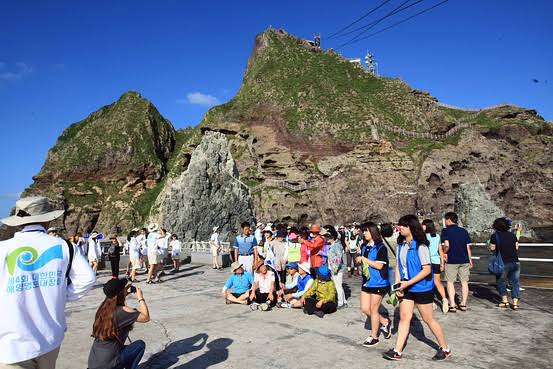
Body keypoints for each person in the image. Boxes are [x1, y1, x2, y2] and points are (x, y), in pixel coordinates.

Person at [0, 196, 96, 368]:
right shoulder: (65, 246)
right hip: (50, 338)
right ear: (48, 219)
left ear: (18, 221)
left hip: (12, 344)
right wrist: (62, 295)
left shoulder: (3, 248)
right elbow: (88, 278)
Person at [383, 215, 450, 361]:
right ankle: (397, 351)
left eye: (403, 226)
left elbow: (426, 270)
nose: (399, 228)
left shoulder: (421, 246)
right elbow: (399, 268)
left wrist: (408, 283)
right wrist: (398, 285)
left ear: (411, 228)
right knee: (404, 318)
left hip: (421, 287)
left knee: (428, 319)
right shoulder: (401, 245)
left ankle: (445, 348)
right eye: (399, 225)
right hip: (406, 287)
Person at [88, 278, 150, 369]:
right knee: (140, 345)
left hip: (94, 363)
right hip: (109, 364)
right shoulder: (122, 311)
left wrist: (123, 294)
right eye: (124, 288)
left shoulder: (103, 309)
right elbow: (145, 317)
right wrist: (140, 298)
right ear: (120, 293)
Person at [358, 222, 394, 347]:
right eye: (363, 231)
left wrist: (364, 259)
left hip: (379, 282)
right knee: (364, 308)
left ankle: (374, 336)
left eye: (366, 231)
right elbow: (365, 263)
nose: (364, 233)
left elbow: (379, 265)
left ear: (373, 231)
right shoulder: (364, 246)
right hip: (367, 281)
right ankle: (384, 322)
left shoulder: (381, 247)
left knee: (374, 309)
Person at [441, 212, 472, 312]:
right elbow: (467, 247)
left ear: (449, 220)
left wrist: (443, 252)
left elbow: (447, 245)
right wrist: (470, 260)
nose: (445, 222)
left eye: (445, 220)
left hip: (452, 260)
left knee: (450, 282)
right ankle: (463, 304)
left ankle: (453, 305)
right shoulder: (464, 231)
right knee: (464, 282)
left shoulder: (446, 231)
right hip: (464, 260)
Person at [490, 217, 521, 310]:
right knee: (515, 282)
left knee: (500, 281)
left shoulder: (495, 236)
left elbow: (492, 248)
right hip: (515, 261)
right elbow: (516, 248)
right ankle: (515, 303)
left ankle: (505, 301)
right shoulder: (512, 235)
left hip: (502, 262)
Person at [422, 219, 448, 313]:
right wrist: (442, 263)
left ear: (426, 226)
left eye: (423, 225)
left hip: (426, 262)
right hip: (436, 261)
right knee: (437, 282)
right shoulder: (437, 236)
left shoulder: (423, 237)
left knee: (427, 282)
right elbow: (440, 250)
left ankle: (431, 301)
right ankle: (444, 299)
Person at [324, 225, 347, 308]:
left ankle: (341, 303)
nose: (326, 238)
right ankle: (344, 301)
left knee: (338, 286)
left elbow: (339, 256)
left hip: (337, 269)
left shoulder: (336, 245)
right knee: (338, 285)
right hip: (333, 268)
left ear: (332, 237)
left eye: (328, 237)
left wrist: (336, 267)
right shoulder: (332, 245)